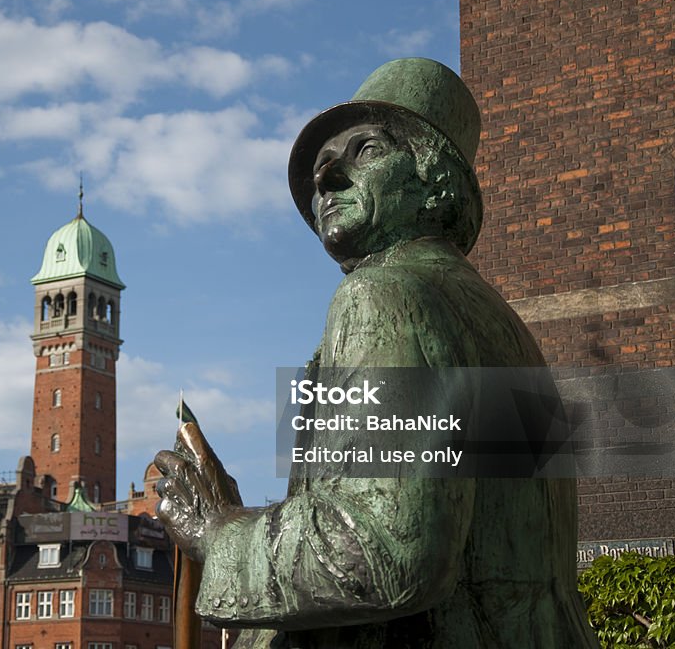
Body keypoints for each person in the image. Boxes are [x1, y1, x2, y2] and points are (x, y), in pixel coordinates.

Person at [155, 58, 600, 648]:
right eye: (320, 168)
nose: (326, 180)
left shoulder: (382, 294)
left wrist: (219, 532)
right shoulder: (499, 324)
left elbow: (381, 549)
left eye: (364, 150)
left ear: (434, 178)